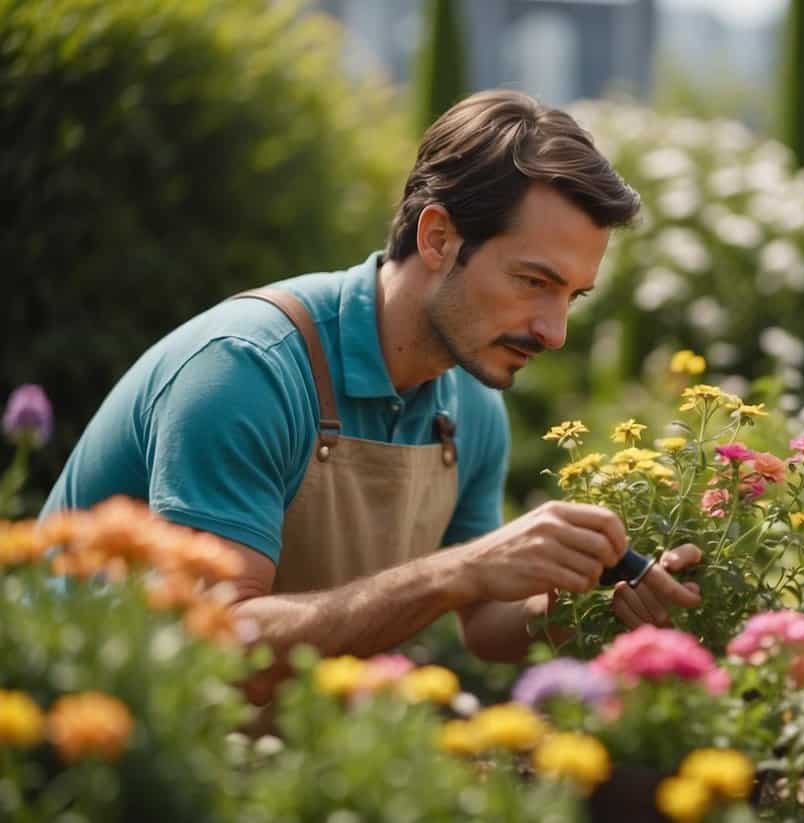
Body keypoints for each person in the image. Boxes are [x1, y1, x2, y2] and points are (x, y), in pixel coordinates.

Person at [42, 90, 703, 700]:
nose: (555, 333)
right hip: (74, 734)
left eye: (572, 296)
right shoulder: (247, 370)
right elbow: (218, 638)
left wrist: (576, 609)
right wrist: (453, 571)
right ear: (439, 237)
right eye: (534, 281)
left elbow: (485, 624)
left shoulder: (469, 405)